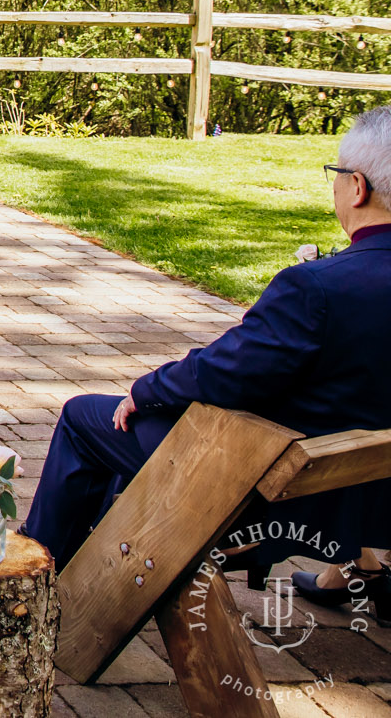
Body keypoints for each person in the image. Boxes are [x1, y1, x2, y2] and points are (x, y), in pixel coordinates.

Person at [22, 104, 391, 604]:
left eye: (337, 176)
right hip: (371, 487)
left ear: (358, 187)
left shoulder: (318, 288)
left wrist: (145, 390)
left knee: (88, 419)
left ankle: (30, 582)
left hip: (280, 494)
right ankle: (366, 567)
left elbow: (229, 374)